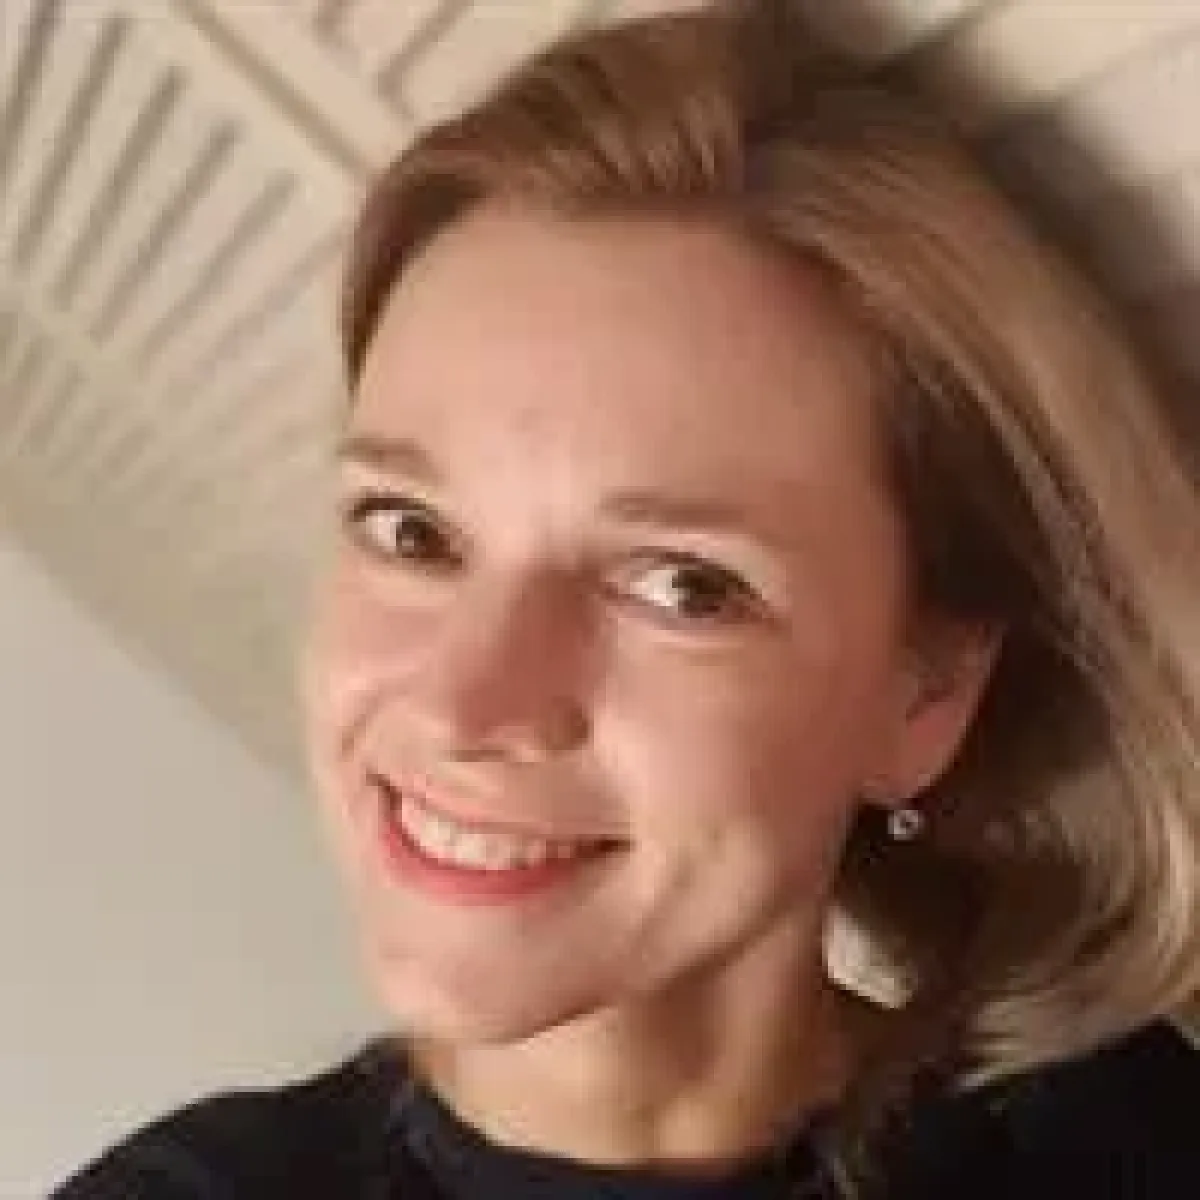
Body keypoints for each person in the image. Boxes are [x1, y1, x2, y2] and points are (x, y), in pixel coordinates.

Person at [54, 3, 1199, 1197]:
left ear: (928, 694)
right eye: (412, 531)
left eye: (684, 585)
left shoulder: (1123, 1142)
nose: (463, 706)